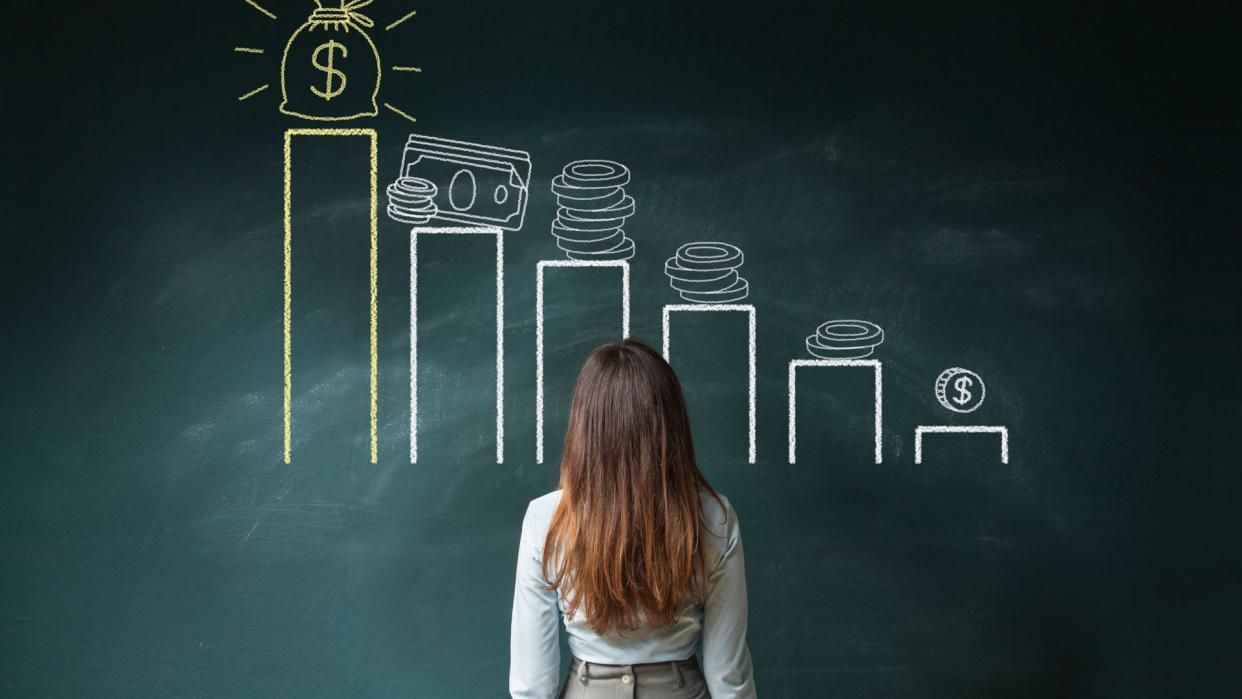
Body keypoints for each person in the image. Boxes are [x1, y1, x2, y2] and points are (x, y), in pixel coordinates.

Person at [510, 340, 757, 698]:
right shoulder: (715, 515)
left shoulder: (545, 518)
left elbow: (533, 685)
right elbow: (727, 675)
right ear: (670, 425)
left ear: (585, 426)